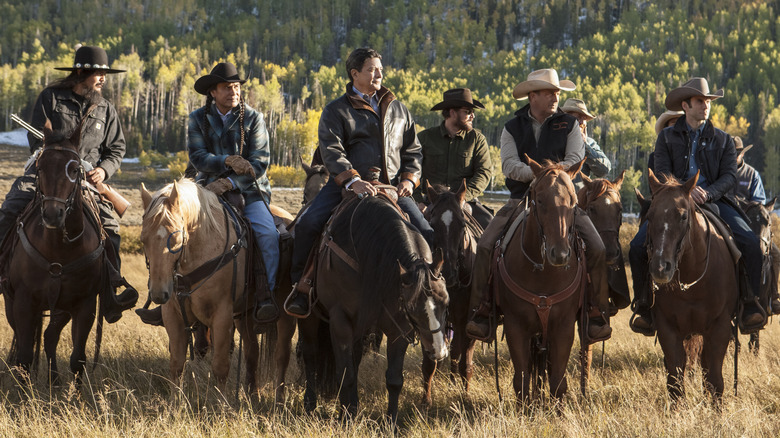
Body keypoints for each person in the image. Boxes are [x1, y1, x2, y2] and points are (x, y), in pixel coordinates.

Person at [284, 47, 433, 317]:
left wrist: (410, 180)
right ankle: (302, 287)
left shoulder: (399, 110)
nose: (379, 74)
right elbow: (331, 150)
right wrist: (352, 180)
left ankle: (430, 296)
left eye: (380, 68)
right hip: (346, 185)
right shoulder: (336, 110)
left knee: (427, 231)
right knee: (307, 224)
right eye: (372, 69)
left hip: (393, 188)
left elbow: (413, 151)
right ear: (355, 74)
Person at [465, 68, 612, 341]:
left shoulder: (568, 124)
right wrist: (538, 180)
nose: (556, 97)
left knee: (598, 247)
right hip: (519, 198)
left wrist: (548, 180)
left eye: (557, 92)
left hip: (563, 202)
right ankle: (482, 310)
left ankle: (596, 311)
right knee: (485, 246)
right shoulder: (512, 127)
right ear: (533, 95)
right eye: (550, 92)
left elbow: (575, 159)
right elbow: (509, 165)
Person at [0, 45, 136, 323]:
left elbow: (116, 150)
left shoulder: (106, 109)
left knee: (110, 223)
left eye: (104, 74)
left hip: (87, 180)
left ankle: (111, 289)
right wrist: (59, 159)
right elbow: (37, 141)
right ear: (81, 72)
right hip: (49, 173)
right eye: (99, 73)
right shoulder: (50, 98)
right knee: (11, 206)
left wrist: (103, 171)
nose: (103, 78)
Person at [137, 62, 279, 325]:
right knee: (178, 237)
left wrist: (229, 183)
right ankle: (173, 301)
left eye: (236, 87)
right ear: (213, 92)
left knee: (268, 235)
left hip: (248, 191)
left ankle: (265, 295)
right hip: (202, 191)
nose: (233, 92)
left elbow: (259, 163)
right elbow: (199, 157)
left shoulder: (254, 118)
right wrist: (227, 161)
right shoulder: (196, 119)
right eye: (227, 88)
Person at [628, 78, 765, 335]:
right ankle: (645, 306)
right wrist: (683, 193)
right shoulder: (666, 138)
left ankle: (750, 304)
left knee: (749, 242)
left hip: (714, 202)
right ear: (686, 105)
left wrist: (708, 193)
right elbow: (661, 172)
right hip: (674, 202)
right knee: (636, 247)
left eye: (708, 101)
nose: (706, 106)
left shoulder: (723, 140)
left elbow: (730, 176)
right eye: (700, 101)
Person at [416, 88, 493, 228]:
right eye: (468, 112)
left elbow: (484, 173)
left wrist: (464, 196)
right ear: (452, 113)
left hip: (466, 201)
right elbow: (411, 169)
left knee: (491, 230)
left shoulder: (477, 140)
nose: (472, 116)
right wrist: (417, 201)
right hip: (431, 202)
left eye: (473, 112)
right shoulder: (424, 138)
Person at [730, 136, 780, 314]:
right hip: (726, 221)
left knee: (774, 254)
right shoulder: (721, 173)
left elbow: (759, 202)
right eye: (731, 153)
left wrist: (740, 203)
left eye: (737, 153)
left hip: (751, 224)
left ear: (742, 154)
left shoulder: (752, 174)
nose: (734, 156)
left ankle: (774, 296)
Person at [560, 98, 611, 180]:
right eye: (578, 118)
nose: (581, 122)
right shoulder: (555, 139)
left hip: (580, 192)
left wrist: (585, 146)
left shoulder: (590, 143)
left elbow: (604, 170)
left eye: (584, 119)